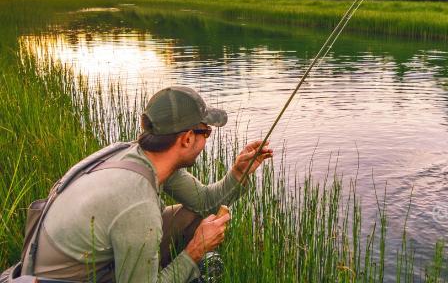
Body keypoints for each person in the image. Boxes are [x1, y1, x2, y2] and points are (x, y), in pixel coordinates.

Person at [24, 86, 273, 282]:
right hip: (68, 278)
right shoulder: (137, 203)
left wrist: (239, 173)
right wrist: (195, 250)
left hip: (75, 260)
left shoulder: (139, 156)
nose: (207, 139)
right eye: (205, 132)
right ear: (187, 138)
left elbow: (205, 202)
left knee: (191, 215)